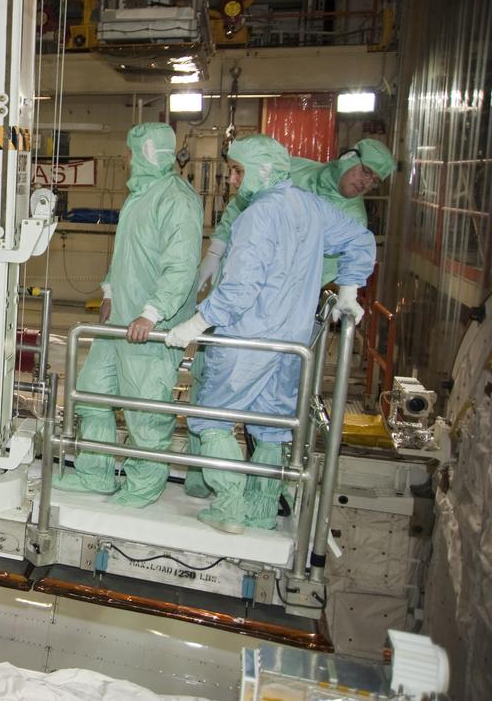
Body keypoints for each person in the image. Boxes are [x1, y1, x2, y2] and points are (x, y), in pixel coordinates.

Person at [165, 136, 376, 533]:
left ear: (263, 171)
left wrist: (195, 324)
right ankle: (262, 511)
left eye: (238, 171)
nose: (230, 179)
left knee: (211, 420)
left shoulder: (257, 216)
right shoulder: (311, 207)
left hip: (248, 339)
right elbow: (360, 240)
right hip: (291, 344)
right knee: (272, 426)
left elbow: (241, 288)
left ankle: (230, 509)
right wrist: (348, 291)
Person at [53, 123, 202, 507]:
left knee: (144, 408)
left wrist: (152, 313)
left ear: (150, 153)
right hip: (119, 320)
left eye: (132, 151)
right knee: (91, 394)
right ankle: (95, 473)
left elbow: (181, 267)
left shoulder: (176, 200)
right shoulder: (140, 194)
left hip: (148, 328)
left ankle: (143, 486)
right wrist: (110, 291)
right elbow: (126, 257)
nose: (126, 158)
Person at [197, 138, 394, 291]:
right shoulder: (294, 168)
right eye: (366, 172)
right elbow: (241, 201)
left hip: (274, 304)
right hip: (234, 272)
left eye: (375, 181)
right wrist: (216, 251)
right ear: (348, 157)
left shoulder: (353, 222)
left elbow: (319, 273)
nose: (366, 183)